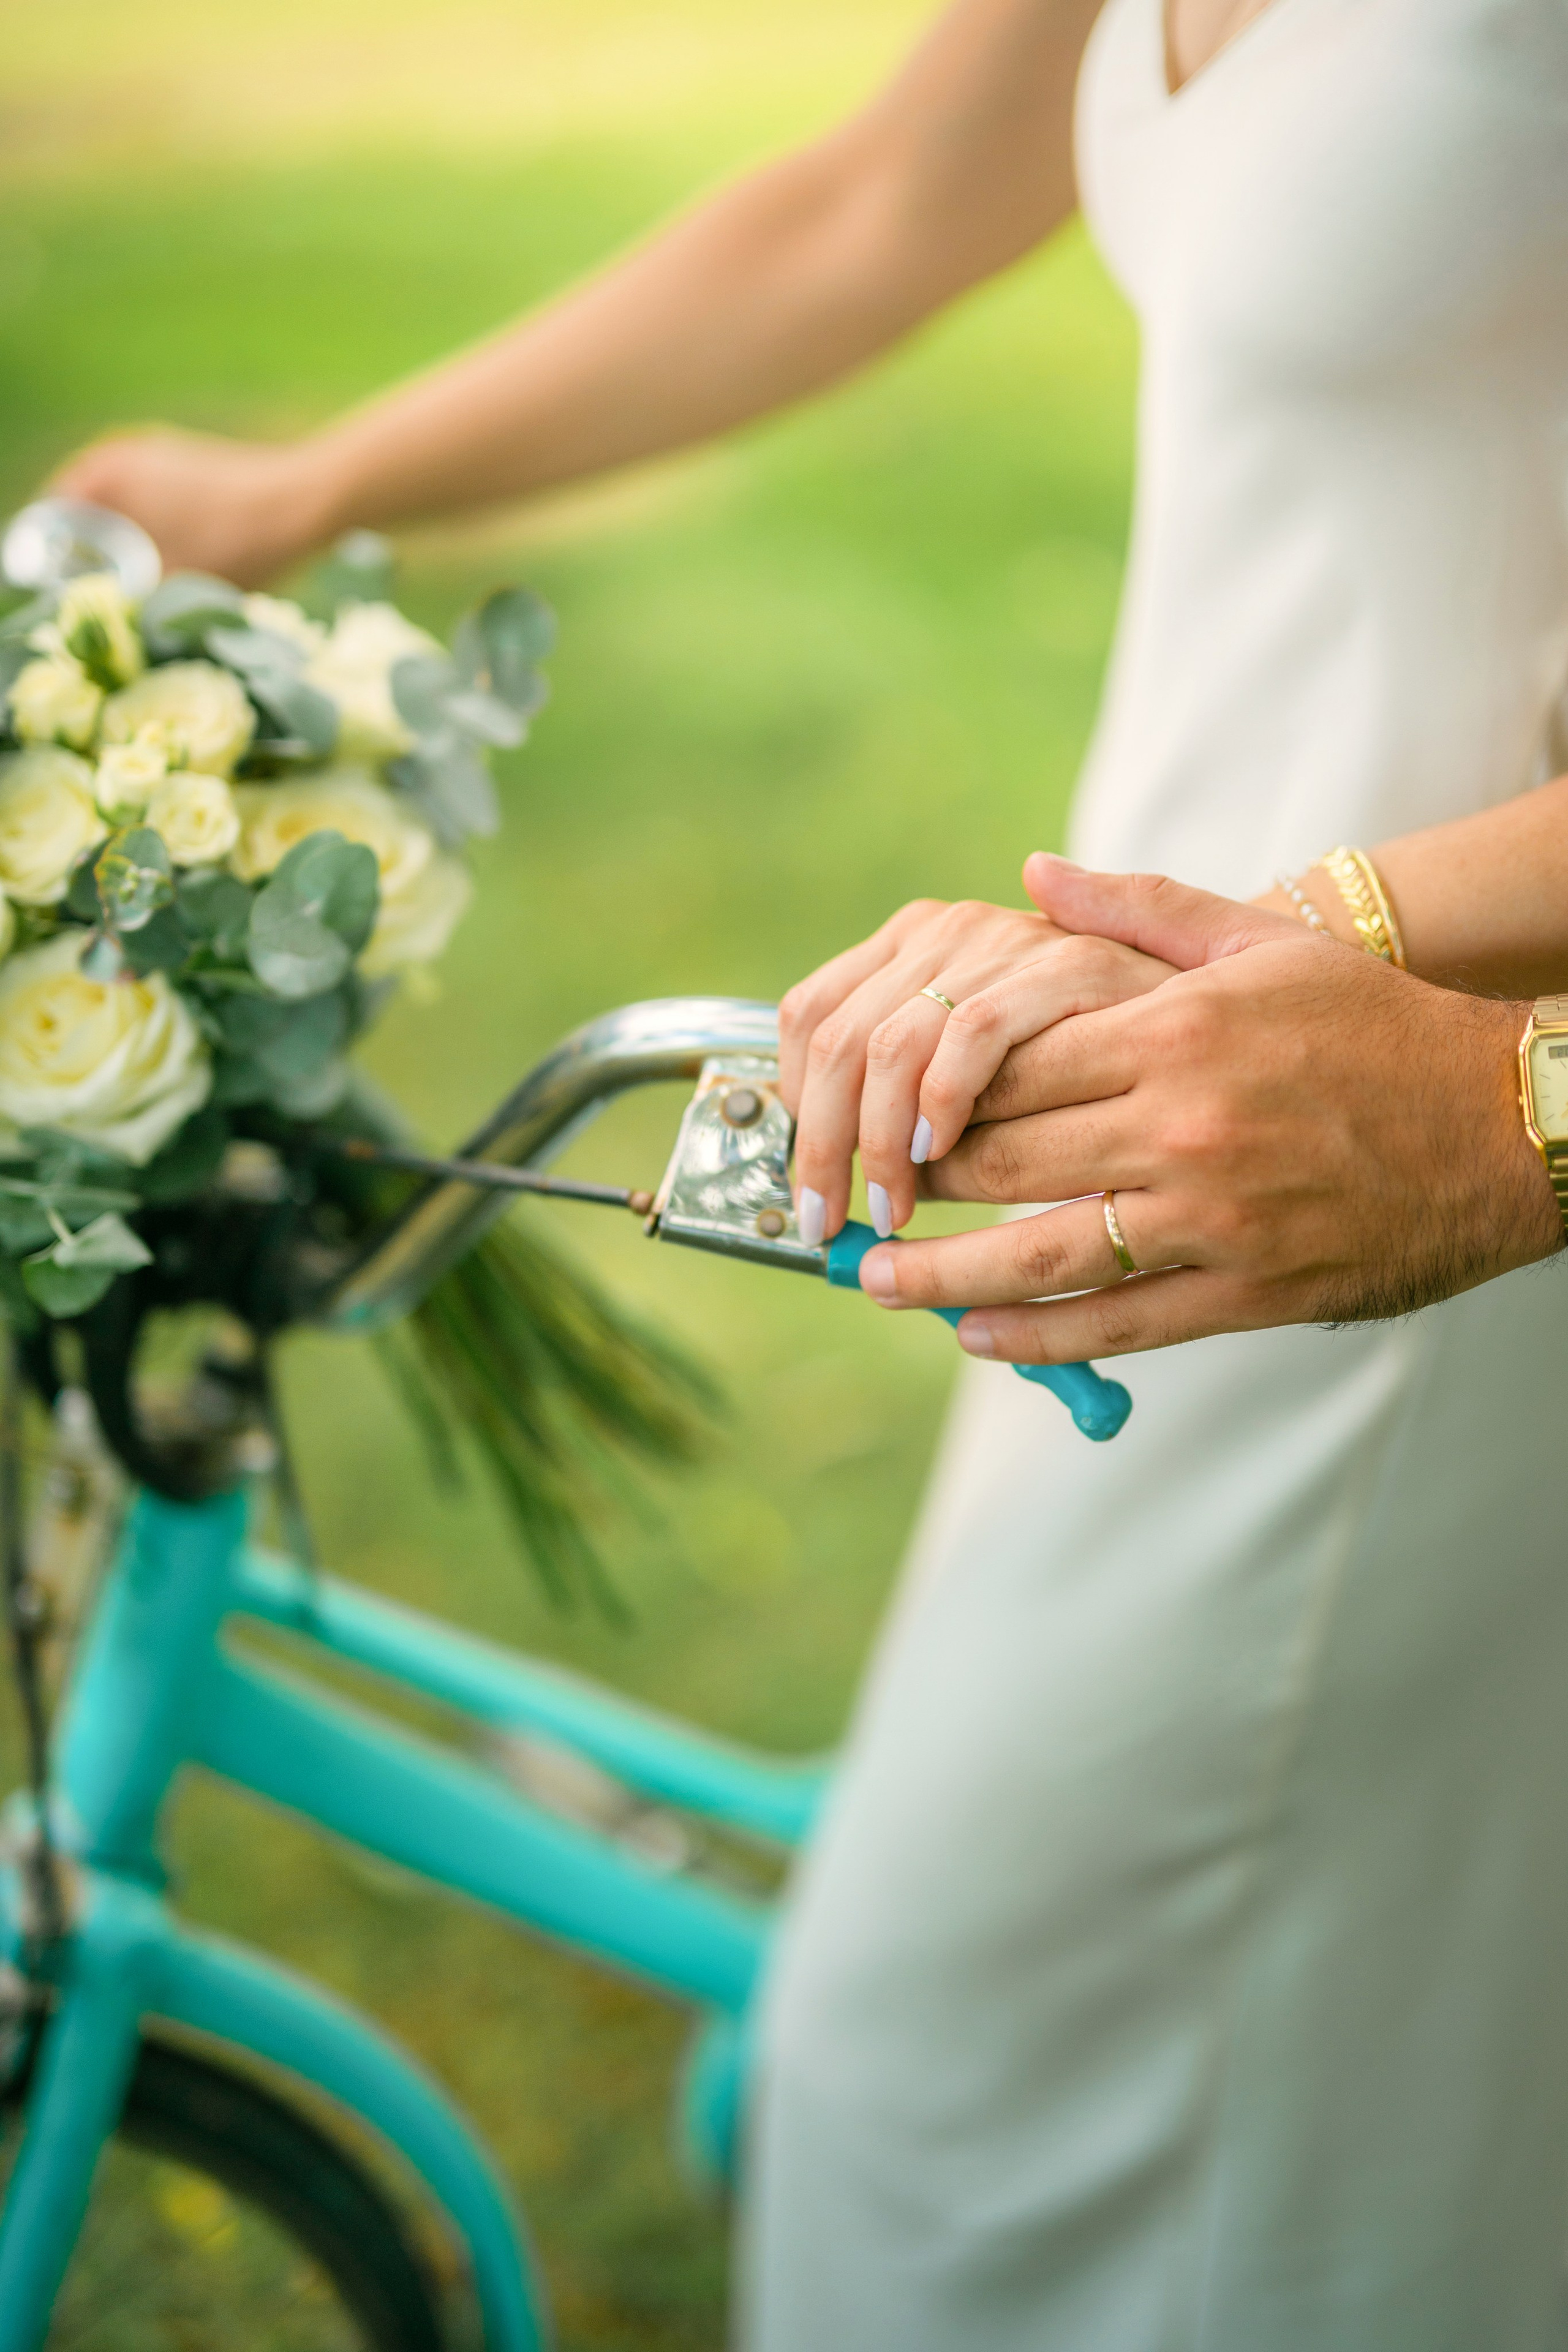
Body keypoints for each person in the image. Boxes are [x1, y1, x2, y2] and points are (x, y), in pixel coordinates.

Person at [51, 3, 1568, 2343]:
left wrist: (1304, 950)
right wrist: (297, 491)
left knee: (969, 2081)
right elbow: (872, 208)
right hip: (1147, 1051)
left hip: (1378, 1129)